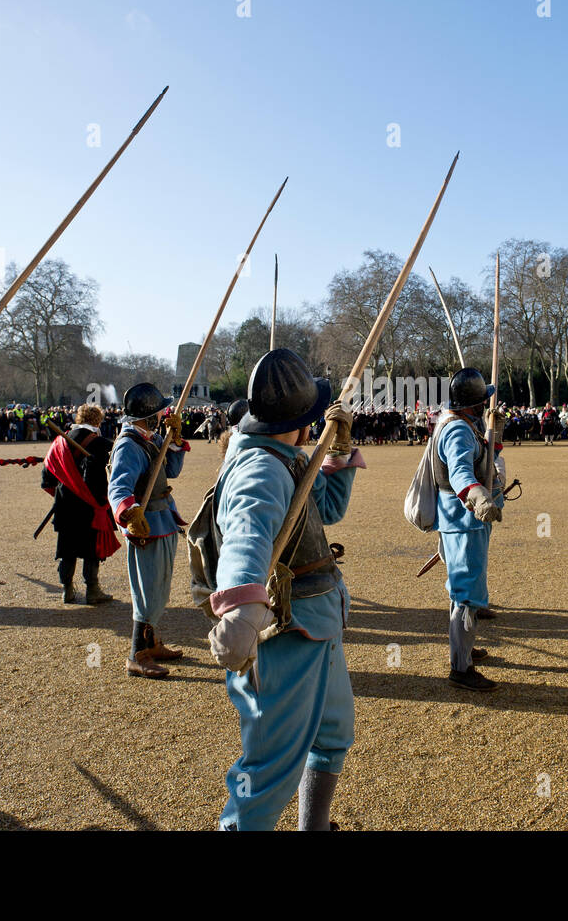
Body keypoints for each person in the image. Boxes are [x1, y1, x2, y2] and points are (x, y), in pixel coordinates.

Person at [205, 349, 364, 830]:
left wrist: (337, 453)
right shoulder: (262, 468)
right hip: (287, 630)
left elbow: (330, 509)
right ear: (299, 420)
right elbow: (247, 536)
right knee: (270, 768)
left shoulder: (286, 455)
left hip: (317, 626)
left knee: (332, 733)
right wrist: (241, 609)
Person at [107, 382, 187, 678]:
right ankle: (136, 655)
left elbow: (172, 470)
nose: (164, 414)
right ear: (149, 416)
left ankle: (151, 643)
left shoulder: (150, 439)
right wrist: (129, 514)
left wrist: (174, 439)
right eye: (160, 412)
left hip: (163, 519)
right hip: (145, 526)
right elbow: (117, 487)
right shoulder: (129, 444)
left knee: (159, 590)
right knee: (147, 591)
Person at [431, 368, 505, 691]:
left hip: (461, 521)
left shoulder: (463, 424)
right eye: (482, 403)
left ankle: (464, 647)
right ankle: (461, 666)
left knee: (462, 590)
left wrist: (494, 434)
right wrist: (477, 498)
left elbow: (484, 461)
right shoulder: (458, 431)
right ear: (472, 406)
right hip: (464, 521)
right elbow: (462, 473)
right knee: (466, 594)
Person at [41, 404, 117, 604]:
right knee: (92, 549)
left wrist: (61, 496)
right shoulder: (102, 443)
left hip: (65, 504)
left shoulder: (60, 442)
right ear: (97, 421)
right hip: (92, 505)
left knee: (68, 549)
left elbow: (47, 479)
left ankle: (67, 589)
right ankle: (93, 590)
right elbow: (110, 478)